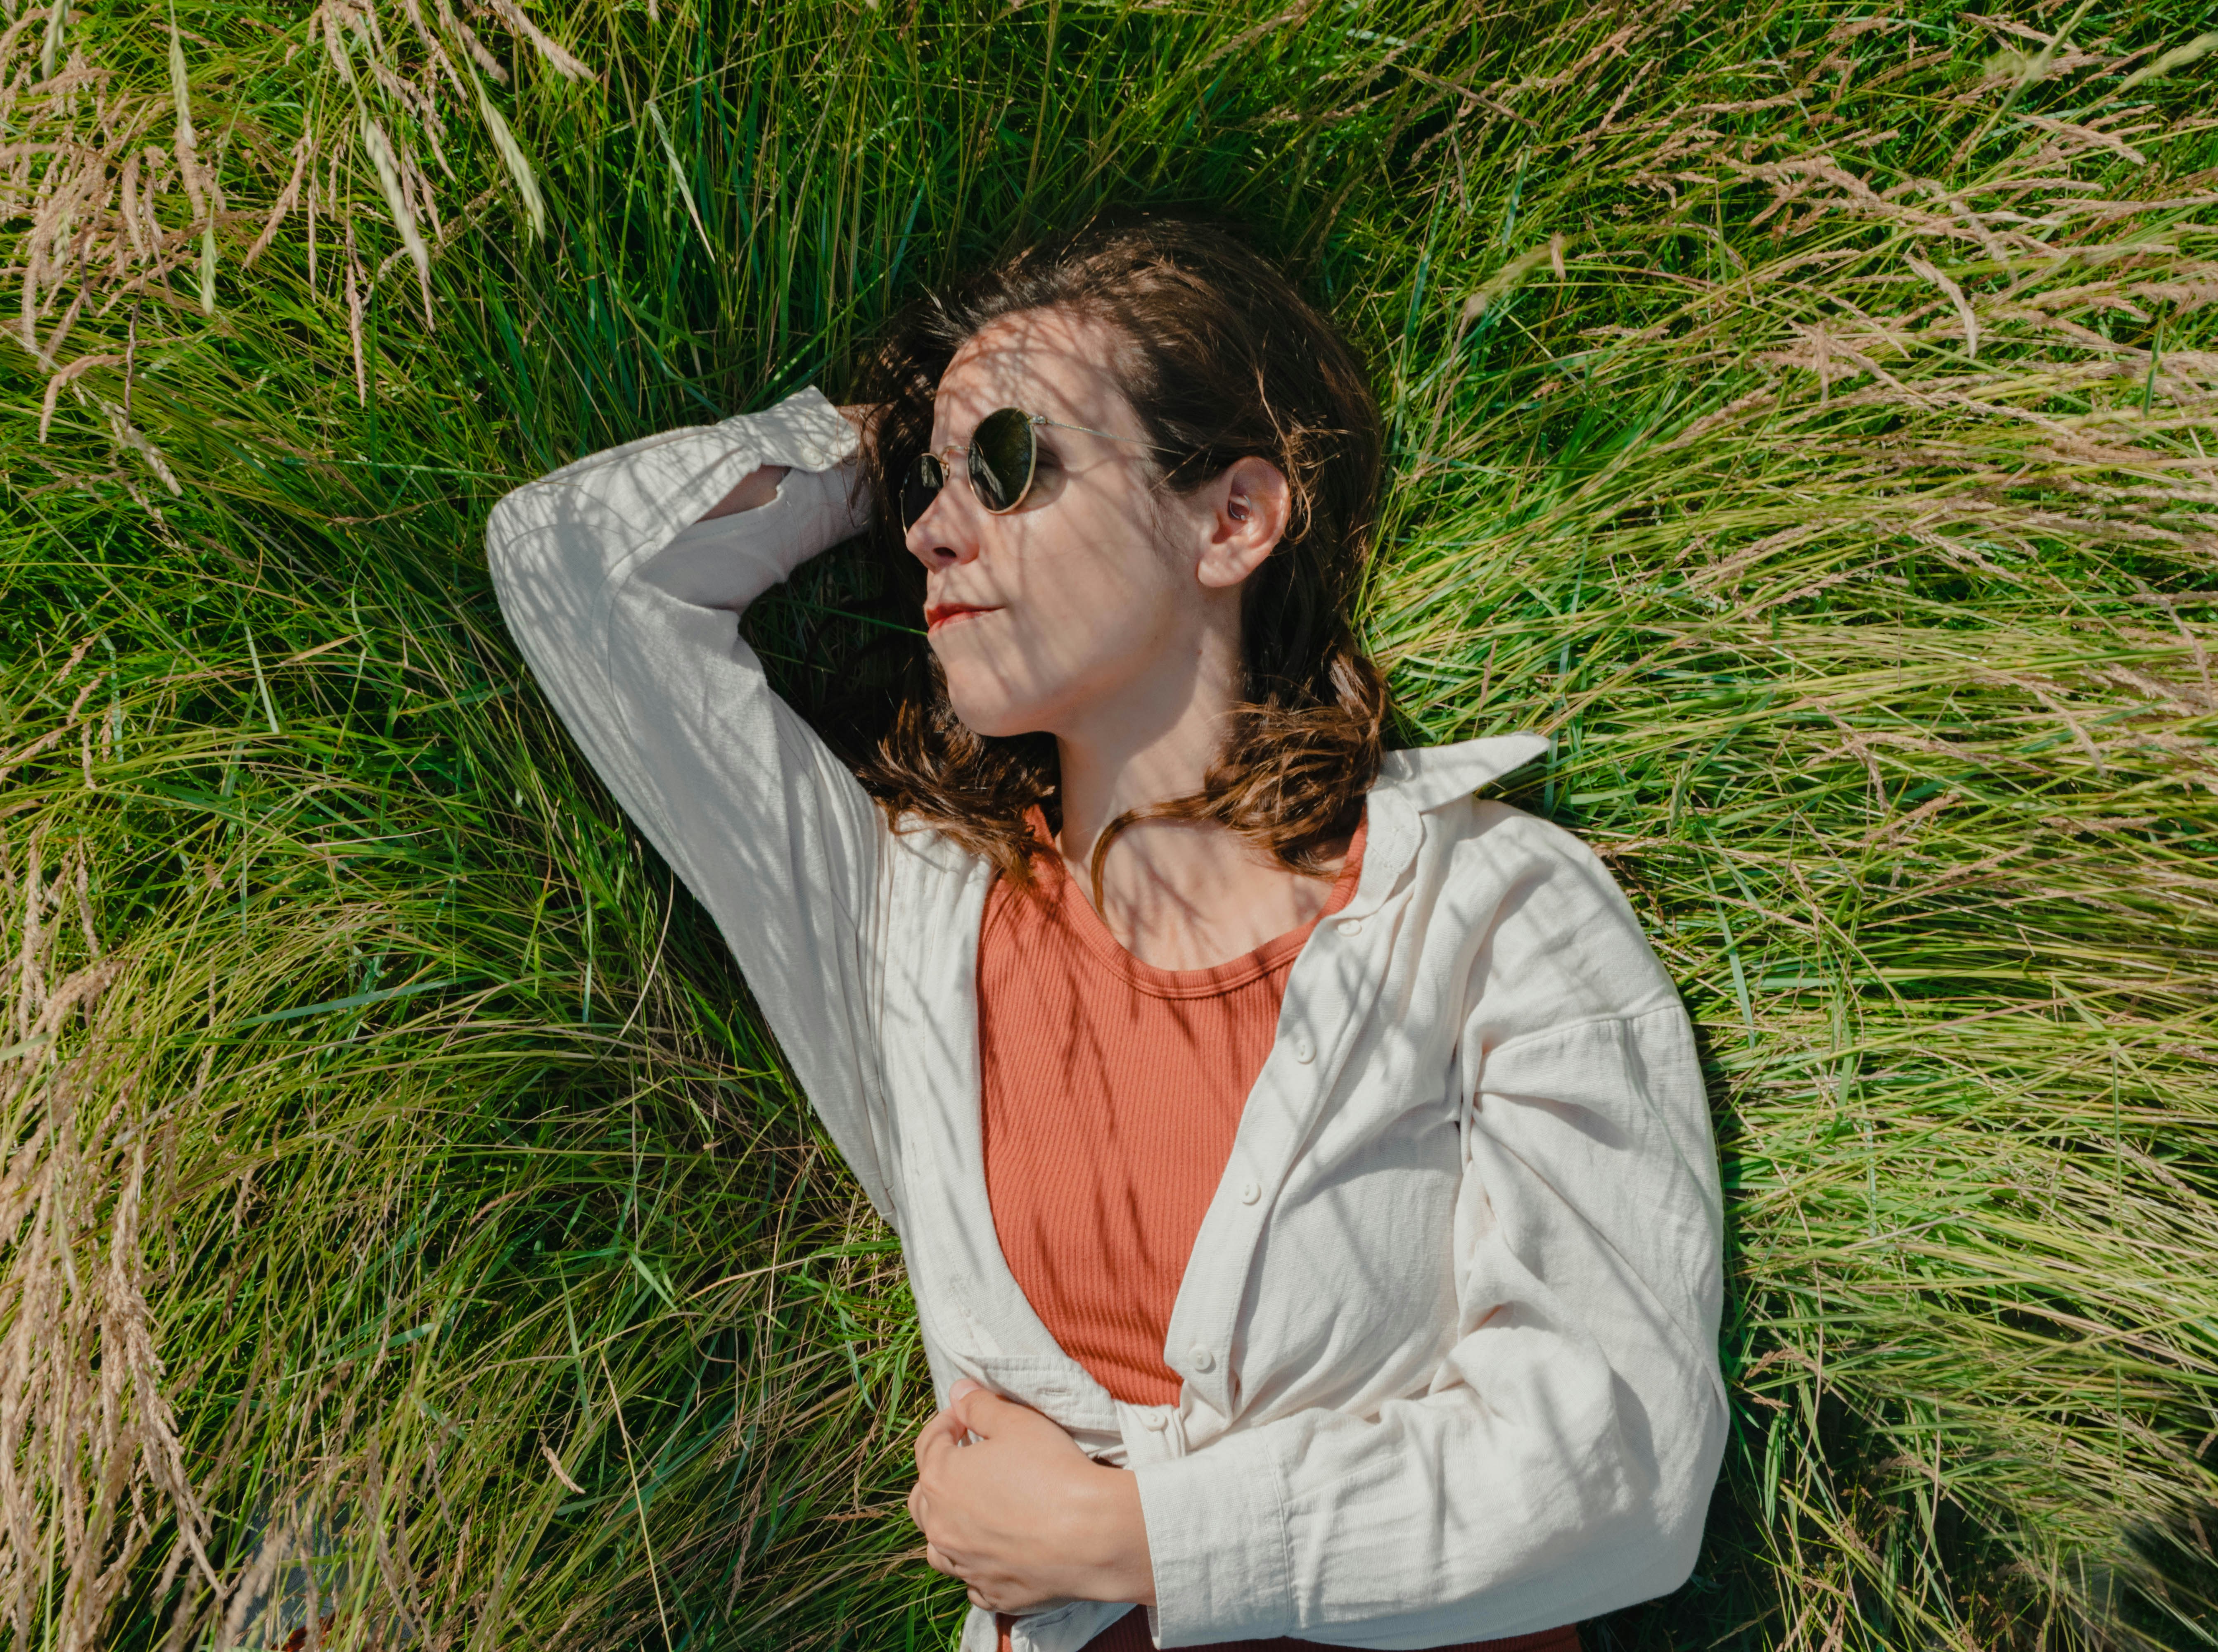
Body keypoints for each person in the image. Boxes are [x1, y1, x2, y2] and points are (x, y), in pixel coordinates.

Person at [484, 214, 1725, 1652]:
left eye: (1011, 466)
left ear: (1231, 520)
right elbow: (577, 568)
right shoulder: (903, 932)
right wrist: (896, 430)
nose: (934, 529)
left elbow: (1620, 1462)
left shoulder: (1497, 912)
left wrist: (1130, 1539)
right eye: (925, 485)